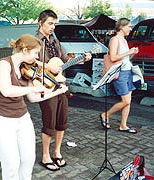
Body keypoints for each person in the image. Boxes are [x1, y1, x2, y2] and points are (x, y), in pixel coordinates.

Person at [0, 34, 68, 180]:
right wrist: (34, 89)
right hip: (1, 119)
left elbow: (33, 98)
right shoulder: (4, 64)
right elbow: (7, 90)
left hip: (23, 118)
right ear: (25, 50)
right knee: (11, 164)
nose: (37, 57)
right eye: (36, 53)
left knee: (28, 159)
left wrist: (57, 90)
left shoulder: (27, 69)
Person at [35, 9, 92, 171]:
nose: (53, 27)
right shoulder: (34, 41)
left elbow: (66, 61)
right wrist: (47, 67)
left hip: (60, 85)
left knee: (62, 121)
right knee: (49, 122)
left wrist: (82, 58)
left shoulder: (55, 41)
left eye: (55, 24)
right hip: (46, 86)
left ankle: (57, 152)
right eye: (50, 23)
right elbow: (29, 63)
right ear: (41, 23)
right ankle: (45, 156)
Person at [99, 18, 139, 134]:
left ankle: (123, 125)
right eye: (129, 26)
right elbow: (113, 58)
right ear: (122, 27)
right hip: (119, 72)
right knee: (125, 100)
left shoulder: (124, 40)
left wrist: (132, 54)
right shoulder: (114, 39)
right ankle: (105, 114)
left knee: (128, 100)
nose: (130, 29)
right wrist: (129, 52)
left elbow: (125, 58)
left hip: (128, 71)